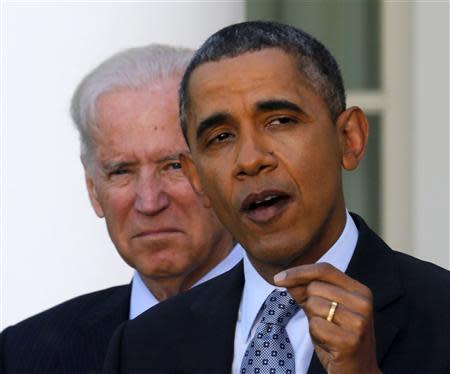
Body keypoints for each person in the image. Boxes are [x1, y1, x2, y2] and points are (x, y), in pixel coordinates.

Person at [103, 22, 450, 374]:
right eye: (221, 137)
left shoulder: (441, 314)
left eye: (280, 121)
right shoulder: (142, 347)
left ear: (349, 138)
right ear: (197, 179)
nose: (251, 159)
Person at [0, 44, 242, 374]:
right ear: (93, 191)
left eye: (173, 166)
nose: (149, 202)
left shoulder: (312, 327)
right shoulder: (25, 356)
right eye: (121, 172)